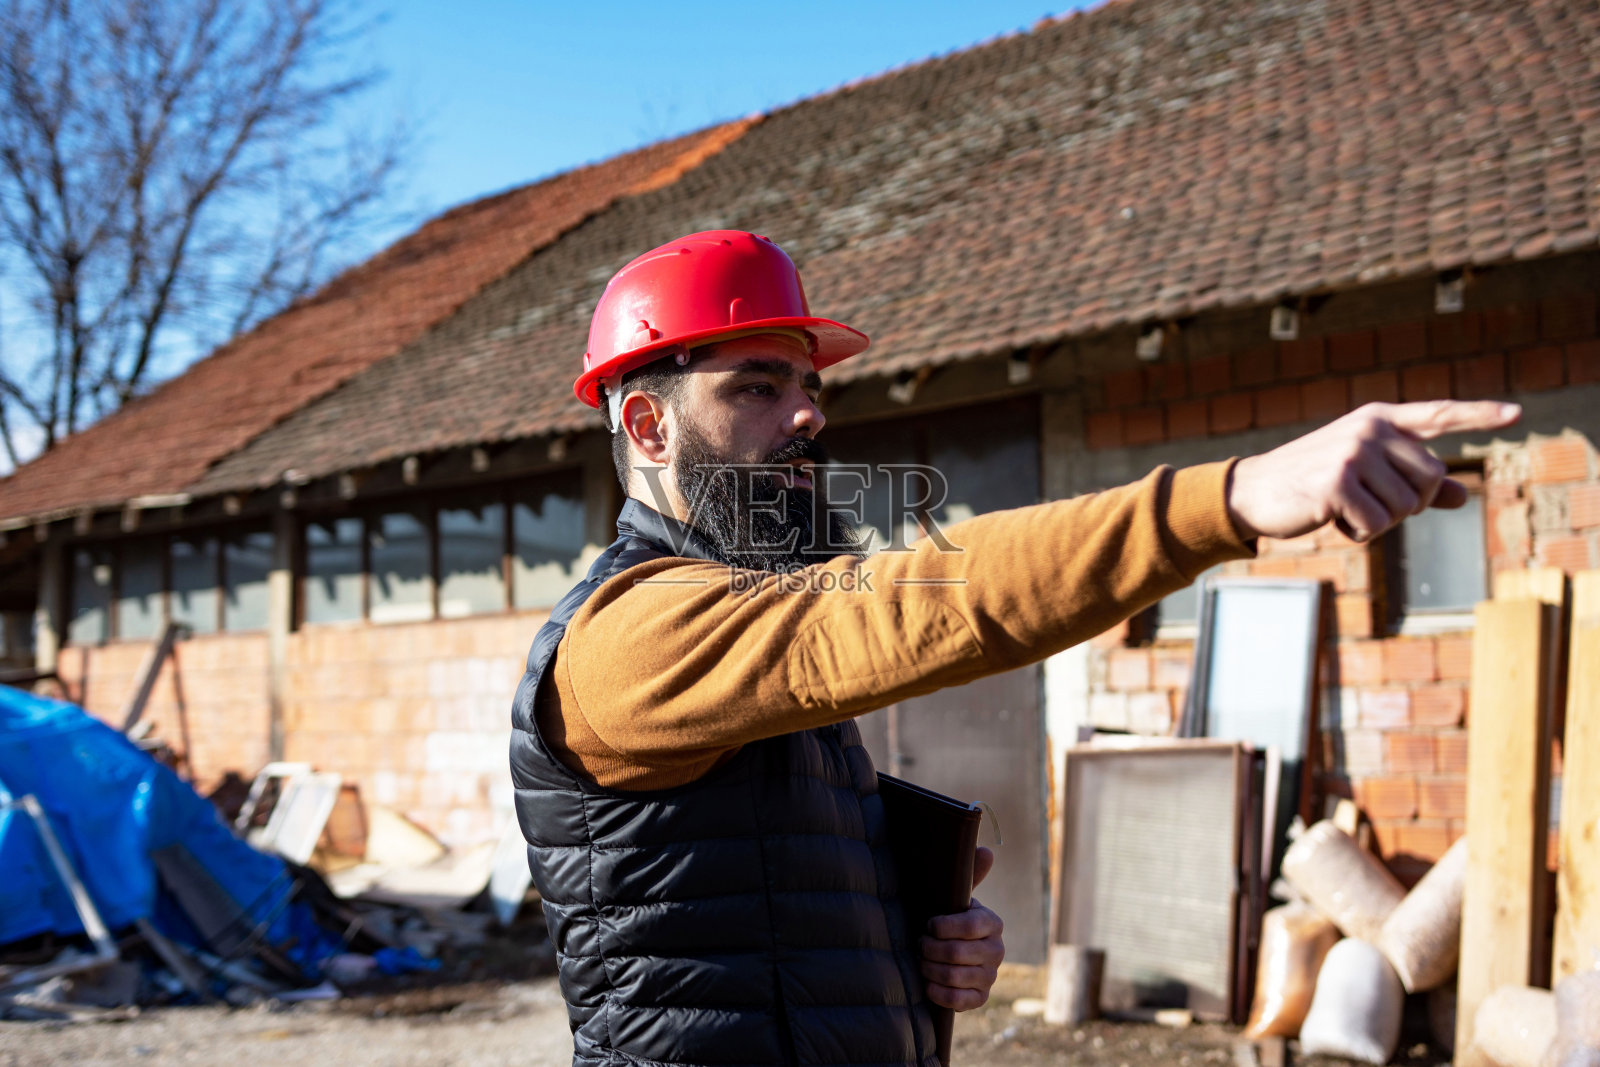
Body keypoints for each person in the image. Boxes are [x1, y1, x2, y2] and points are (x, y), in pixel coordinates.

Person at [510, 230, 1517, 1067]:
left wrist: (903, 946)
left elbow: (749, 931)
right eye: (758, 388)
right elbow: (910, 603)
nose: (811, 413)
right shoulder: (626, 638)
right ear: (647, 423)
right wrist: (1232, 496)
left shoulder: (759, 627)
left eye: (810, 385)